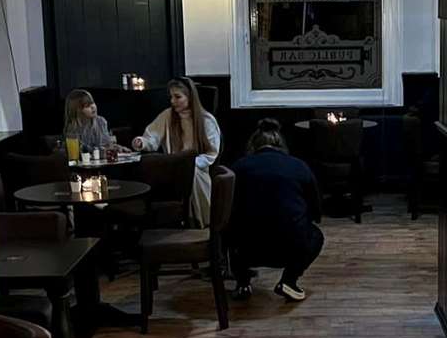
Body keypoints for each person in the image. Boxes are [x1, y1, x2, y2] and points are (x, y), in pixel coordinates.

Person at [227, 119, 323, 303]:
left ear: (253, 145)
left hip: (248, 247)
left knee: (232, 230)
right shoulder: (299, 166)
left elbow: (226, 211)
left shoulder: (238, 167)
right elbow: (315, 211)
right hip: (289, 247)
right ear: (281, 144)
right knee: (316, 236)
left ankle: (242, 283)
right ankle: (289, 280)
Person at [133, 77, 222, 226]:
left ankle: (199, 223)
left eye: (178, 97)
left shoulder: (206, 120)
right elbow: (152, 136)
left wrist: (190, 164)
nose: (173, 101)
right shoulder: (168, 116)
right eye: (171, 97)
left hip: (197, 169)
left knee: (193, 175)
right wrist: (142, 142)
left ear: (190, 97)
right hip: (172, 170)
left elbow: (211, 152)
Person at [62, 89, 114, 154]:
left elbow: (107, 144)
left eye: (92, 103)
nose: (92, 107)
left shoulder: (101, 121)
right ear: (77, 111)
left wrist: (116, 147)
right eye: (87, 106)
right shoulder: (72, 128)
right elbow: (82, 150)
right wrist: (99, 149)